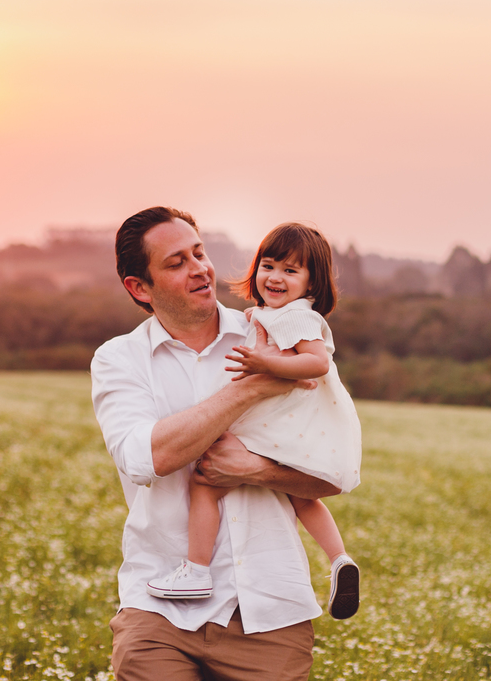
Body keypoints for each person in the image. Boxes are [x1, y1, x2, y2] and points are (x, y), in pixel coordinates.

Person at [91, 206, 348, 681]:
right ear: (139, 287)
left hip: (270, 609)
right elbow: (145, 457)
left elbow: (330, 474)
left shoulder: (275, 335)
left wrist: (257, 470)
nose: (200, 269)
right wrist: (252, 387)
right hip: (159, 608)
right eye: (177, 262)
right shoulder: (118, 359)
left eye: (199, 253)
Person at [146, 223, 362, 621]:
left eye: (290, 271)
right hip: (295, 423)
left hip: (279, 418)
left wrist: (265, 363)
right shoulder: (283, 314)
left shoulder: (296, 318)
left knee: (205, 481)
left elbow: (318, 362)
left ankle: (196, 571)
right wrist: (260, 317)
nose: (275, 277)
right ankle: (339, 560)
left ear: (312, 284)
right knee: (303, 497)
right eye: (268, 265)